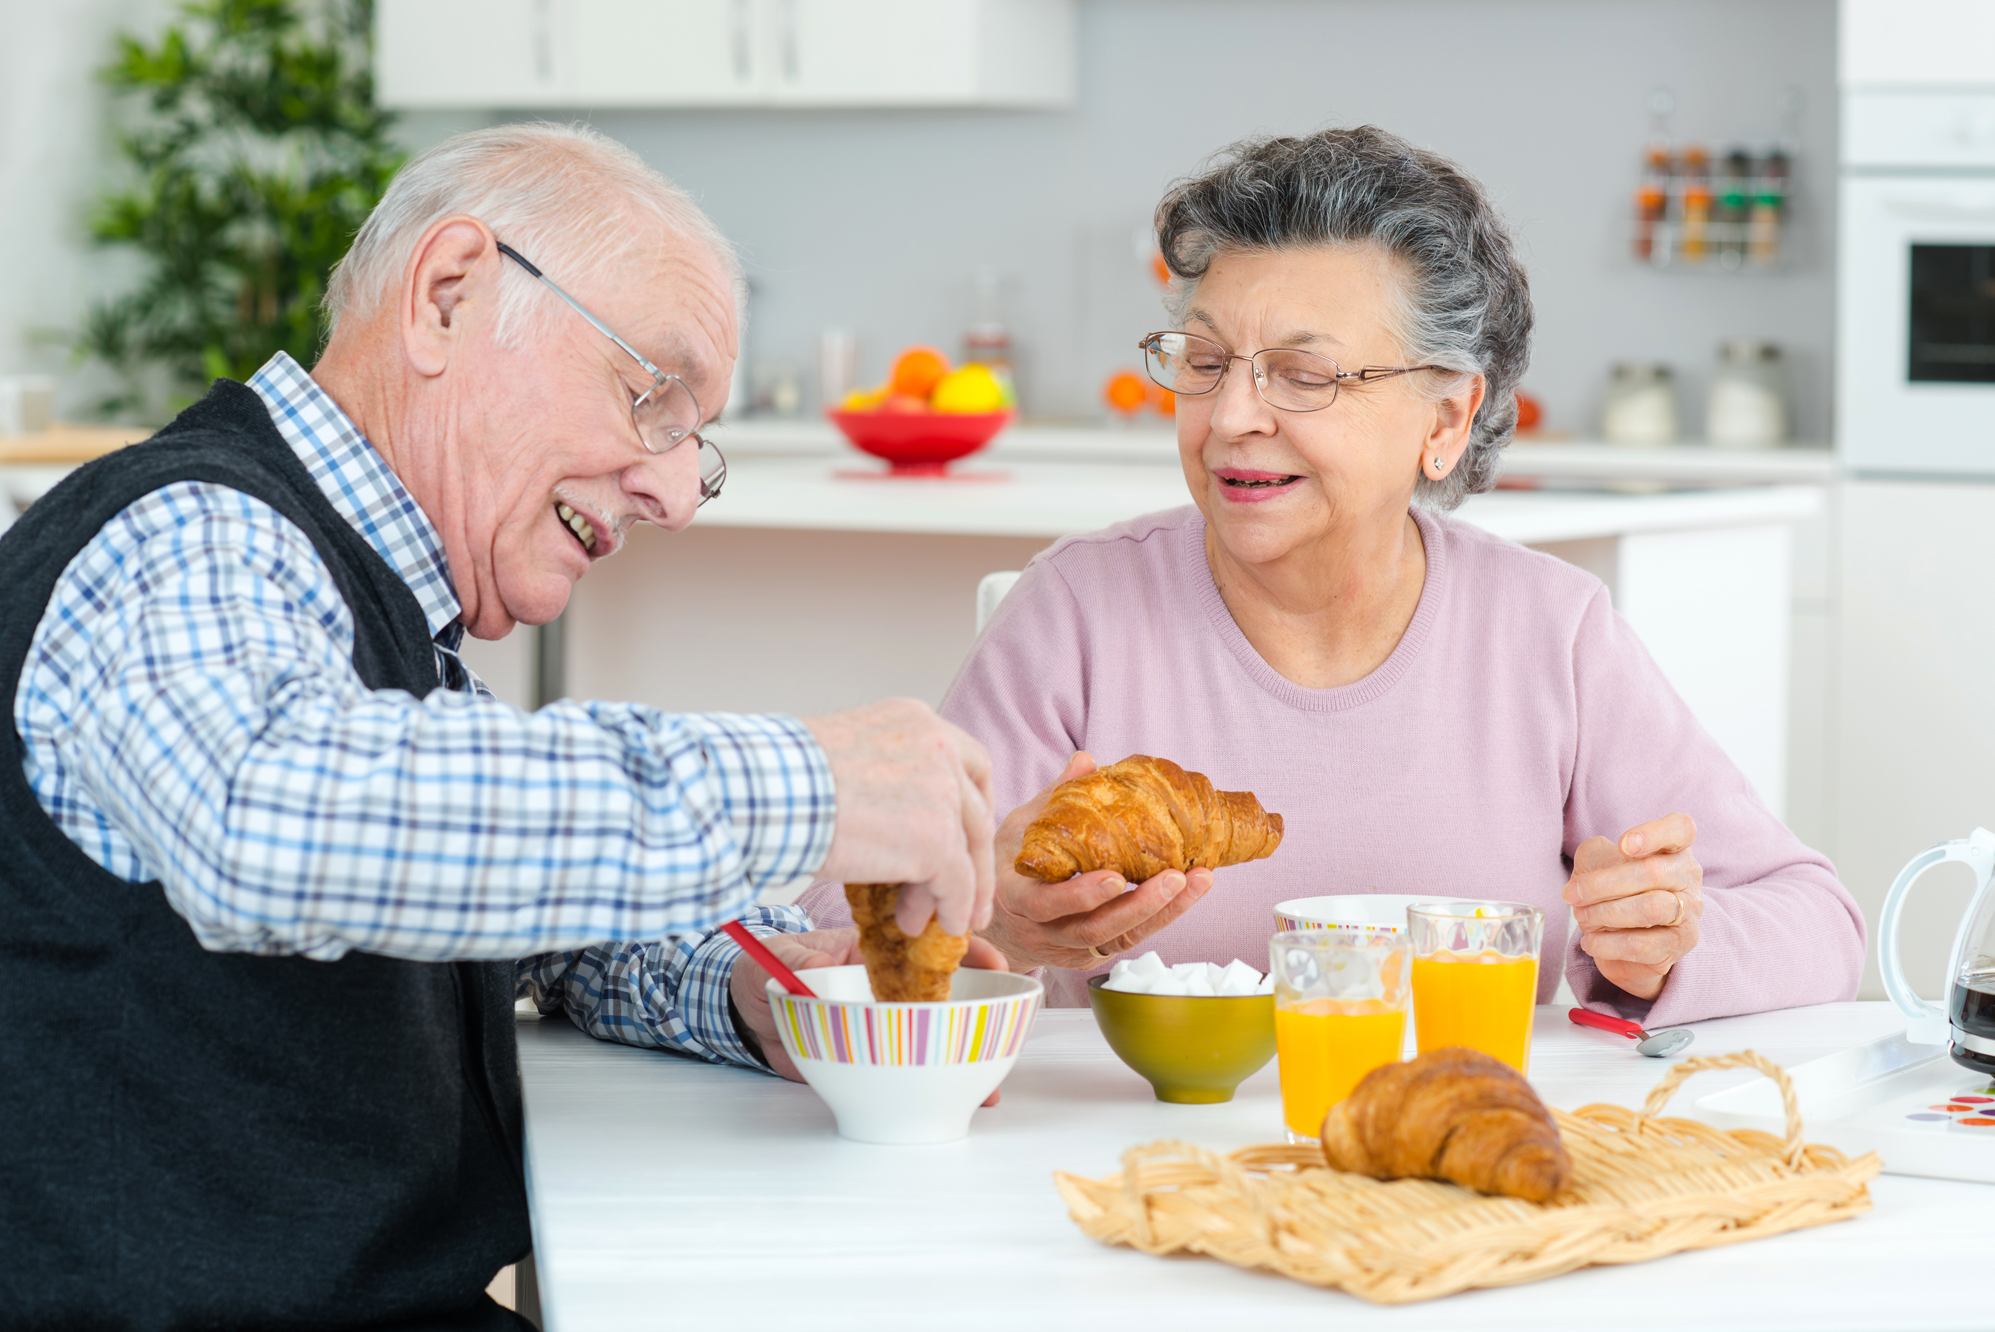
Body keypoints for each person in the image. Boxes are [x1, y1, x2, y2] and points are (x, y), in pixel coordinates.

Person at [0, 123, 1000, 1330]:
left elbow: (520, 932)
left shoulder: (380, 626)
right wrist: (814, 783)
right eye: (652, 398)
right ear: (447, 295)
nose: (678, 494)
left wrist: (767, 990)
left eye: (698, 442)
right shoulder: (194, 532)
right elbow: (274, 817)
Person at [782, 126, 1865, 1025]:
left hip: (1456, 1197)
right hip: (1132, 1175)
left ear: (1445, 418)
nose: (1234, 418)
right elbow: (845, 913)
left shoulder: (1550, 633)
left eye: (1303, 375)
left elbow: (1814, 918)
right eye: (1203, 365)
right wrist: (989, 917)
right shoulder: (1078, 611)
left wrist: (1668, 946)